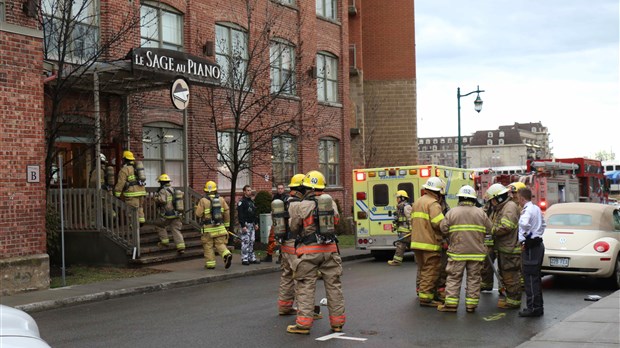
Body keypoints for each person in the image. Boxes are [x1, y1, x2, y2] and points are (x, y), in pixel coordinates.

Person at [286, 170, 345, 335]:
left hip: (309, 252)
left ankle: (303, 324)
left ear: (307, 187)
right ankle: (337, 323)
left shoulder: (302, 205)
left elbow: (294, 227)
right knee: (334, 286)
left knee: (305, 286)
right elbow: (337, 222)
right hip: (331, 250)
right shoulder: (331, 203)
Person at [437, 185, 492, 313]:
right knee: (474, 279)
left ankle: (450, 305)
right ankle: (471, 305)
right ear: (473, 199)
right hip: (476, 253)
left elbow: (443, 228)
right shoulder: (480, 212)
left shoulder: (452, 212)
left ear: (460, 198)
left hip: (457, 252)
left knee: (454, 278)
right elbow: (490, 228)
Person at [410, 177, 446, 307]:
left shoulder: (417, 202)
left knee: (423, 269)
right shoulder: (433, 204)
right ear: (438, 191)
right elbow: (440, 224)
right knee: (431, 271)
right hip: (429, 243)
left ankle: (429, 294)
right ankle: (426, 298)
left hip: (416, 243)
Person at [486, 183, 522, 309]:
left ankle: (513, 301)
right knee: (506, 274)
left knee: (510, 275)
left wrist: (491, 230)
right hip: (505, 247)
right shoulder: (503, 207)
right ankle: (511, 299)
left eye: (492, 200)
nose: (492, 203)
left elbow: (507, 226)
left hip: (509, 248)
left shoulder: (509, 207)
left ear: (498, 198)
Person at [275, 174, 305, 315]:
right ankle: (304, 309)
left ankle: (284, 307)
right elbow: (299, 226)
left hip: (285, 245)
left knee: (286, 276)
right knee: (301, 276)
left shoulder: (283, 201)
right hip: (295, 245)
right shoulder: (298, 204)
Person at [517, 187, 545, 317]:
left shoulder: (526, 210)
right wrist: (534, 234)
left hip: (530, 247)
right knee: (536, 277)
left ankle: (532, 308)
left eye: (518, 198)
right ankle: (538, 306)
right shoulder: (537, 208)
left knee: (530, 278)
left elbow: (524, 224)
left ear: (522, 198)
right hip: (537, 245)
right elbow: (543, 225)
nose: (518, 201)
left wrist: (526, 238)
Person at [195, 181, 233, 270]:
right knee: (220, 244)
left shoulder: (203, 200)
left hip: (208, 229)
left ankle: (210, 264)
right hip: (220, 227)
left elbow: (198, 214)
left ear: (205, 191)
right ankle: (227, 254)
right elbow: (227, 213)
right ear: (215, 189)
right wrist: (227, 226)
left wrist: (197, 208)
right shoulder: (221, 199)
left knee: (208, 246)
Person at [154, 174, 185, 254]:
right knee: (176, 229)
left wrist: (156, 198)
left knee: (159, 225)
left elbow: (163, 201)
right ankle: (181, 247)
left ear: (161, 182)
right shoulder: (174, 189)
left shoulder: (162, 191)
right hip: (177, 214)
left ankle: (165, 241)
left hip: (167, 214)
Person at [114, 150, 147, 225]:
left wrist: (117, 194)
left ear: (124, 159)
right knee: (140, 208)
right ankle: (141, 221)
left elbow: (120, 183)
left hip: (132, 194)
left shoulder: (125, 169)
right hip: (141, 193)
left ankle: (133, 228)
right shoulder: (136, 167)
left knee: (131, 212)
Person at [263, 183, 288, 263]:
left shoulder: (286, 198)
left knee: (283, 239)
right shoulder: (275, 197)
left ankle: (281, 257)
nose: (280, 190)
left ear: (283, 189)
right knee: (271, 238)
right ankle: (269, 255)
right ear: (277, 189)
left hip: (283, 221)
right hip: (275, 221)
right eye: (279, 188)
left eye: (281, 188)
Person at [387, 190, 412, 266]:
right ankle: (421, 260)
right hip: (403, 231)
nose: (397, 199)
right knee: (411, 246)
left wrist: (411, 229)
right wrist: (395, 226)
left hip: (407, 231)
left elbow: (410, 218)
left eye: (398, 198)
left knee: (401, 245)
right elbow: (397, 219)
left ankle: (396, 261)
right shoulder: (399, 207)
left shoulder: (407, 206)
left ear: (402, 198)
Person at [237, 185, 260, 265]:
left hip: (252, 224)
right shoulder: (242, 202)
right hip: (246, 224)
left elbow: (254, 213)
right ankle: (245, 258)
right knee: (245, 241)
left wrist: (256, 223)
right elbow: (240, 215)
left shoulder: (251, 202)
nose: (250, 192)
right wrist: (243, 225)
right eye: (248, 190)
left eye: (250, 190)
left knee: (252, 241)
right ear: (244, 191)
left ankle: (251, 257)